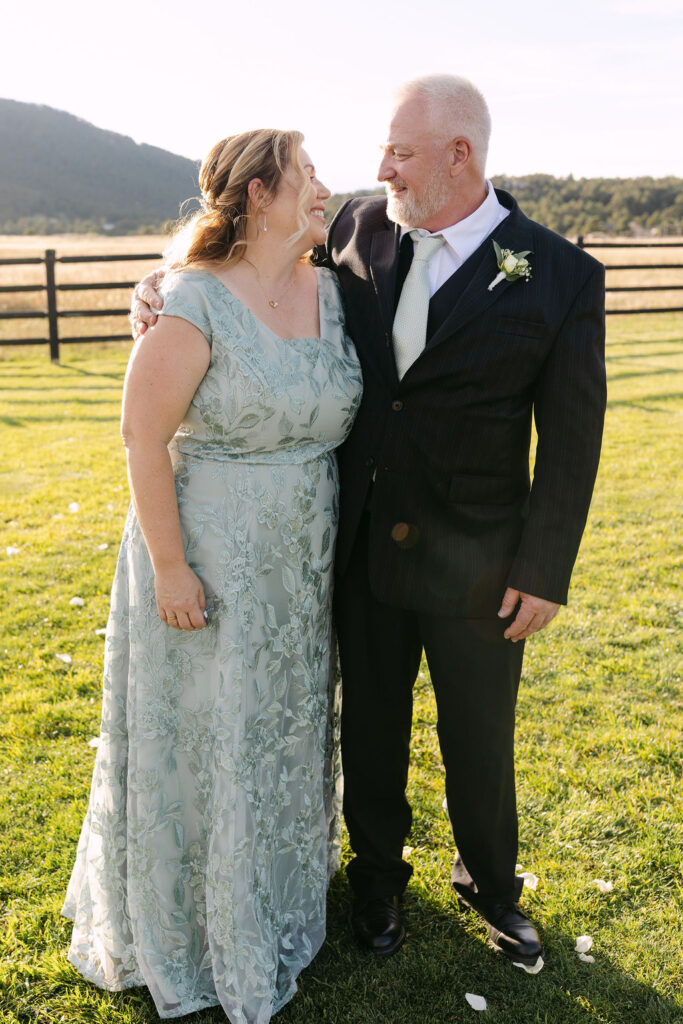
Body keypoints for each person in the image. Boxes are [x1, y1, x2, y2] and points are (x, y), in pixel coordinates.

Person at [132, 74, 606, 972]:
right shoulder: (353, 227)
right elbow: (245, 280)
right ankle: (377, 878)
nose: (377, 165)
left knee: (479, 730)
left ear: (459, 155)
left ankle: (491, 883)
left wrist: (544, 568)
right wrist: (160, 283)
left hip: (481, 555)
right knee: (372, 722)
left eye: (399, 150)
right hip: (354, 542)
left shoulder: (561, 276)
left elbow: (573, 439)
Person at [63, 128, 362, 1024]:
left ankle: (272, 899)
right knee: (209, 734)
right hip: (208, 558)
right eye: (307, 175)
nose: (323, 188)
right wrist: (170, 569)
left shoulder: (337, 289)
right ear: (260, 192)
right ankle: (193, 923)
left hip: (303, 564)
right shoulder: (190, 302)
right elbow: (142, 439)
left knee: (278, 727)